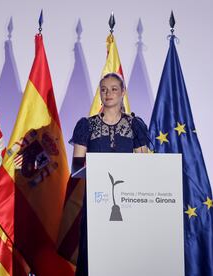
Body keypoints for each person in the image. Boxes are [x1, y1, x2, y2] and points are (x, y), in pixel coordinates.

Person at [69, 72, 149, 276]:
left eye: (114, 89)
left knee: (125, 255)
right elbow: (77, 169)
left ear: (123, 92)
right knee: (94, 255)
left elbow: (145, 167)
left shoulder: (135, 126)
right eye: (104, 89)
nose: (108, 93)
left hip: (129, 202)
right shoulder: (86, 125)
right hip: (96, 201)